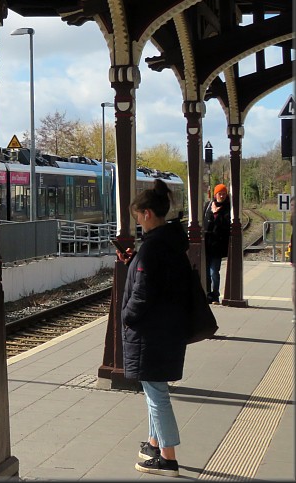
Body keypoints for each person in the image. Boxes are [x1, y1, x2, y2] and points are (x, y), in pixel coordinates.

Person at [119, 179, 191, 477]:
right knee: (153, 390)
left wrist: (127, 316)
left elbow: (143, 293)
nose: (138, 223)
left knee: (157, 394)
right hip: (167, 328)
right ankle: (154, 443)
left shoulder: (152, 248)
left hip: (152, 332)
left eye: (138, 217)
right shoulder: (169, 242)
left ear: (147, 213)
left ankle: (168, 457)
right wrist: (133, 262)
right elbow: (156, 280)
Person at [202, 183, 231, 304]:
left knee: (214, 272)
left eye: (224, 194)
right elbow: (205, 224)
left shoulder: (228, 208)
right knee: (206, 272)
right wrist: (212, 214)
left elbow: (225, 226)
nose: (222, 196)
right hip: (207, 244)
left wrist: (216, 215)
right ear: (215, 194)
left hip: (218, 245)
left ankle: (215, 295)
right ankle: (208, 294)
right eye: (220, 194)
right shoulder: (208, 205)